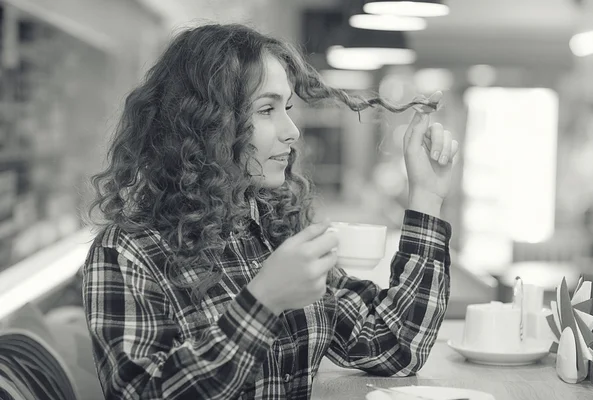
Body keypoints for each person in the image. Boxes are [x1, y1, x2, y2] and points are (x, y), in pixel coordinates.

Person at [82, 22, 459, 400]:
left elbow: (392, 344)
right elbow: (143, 392)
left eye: (288, 108)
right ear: (204, 124)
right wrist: (262, 302)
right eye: (267, 109)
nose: (292, 130)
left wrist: (426, 196)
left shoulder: (276, 229)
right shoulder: (126, 252)